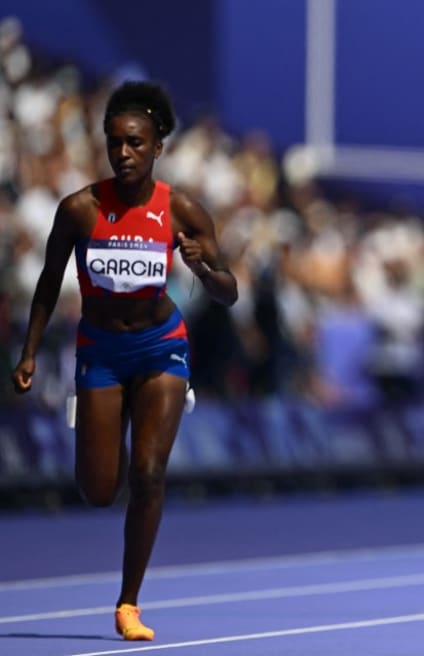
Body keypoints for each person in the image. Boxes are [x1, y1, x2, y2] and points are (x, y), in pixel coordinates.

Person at [10, 80, 238, 641]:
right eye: (115, 143)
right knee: (98, 490)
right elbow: (46, 283)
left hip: (161, 346)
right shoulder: (80, 209)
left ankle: (128, 603)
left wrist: (203, 271)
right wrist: (31, 351)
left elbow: (228, 292)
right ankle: (98, 421)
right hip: (102, 353)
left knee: (149, 472)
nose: (124, 154)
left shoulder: (180, 209)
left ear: (157, 147)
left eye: (135, 143)